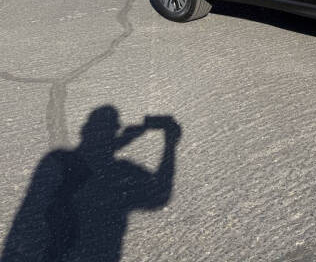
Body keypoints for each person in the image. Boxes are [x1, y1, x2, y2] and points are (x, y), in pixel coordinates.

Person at [1, 106, 181, 262]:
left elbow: (94, 154)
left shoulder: (58, 159)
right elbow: (159, 194)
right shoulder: (121, 171)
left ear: (84, 130)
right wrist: (170, 143)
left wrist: (126, 138)